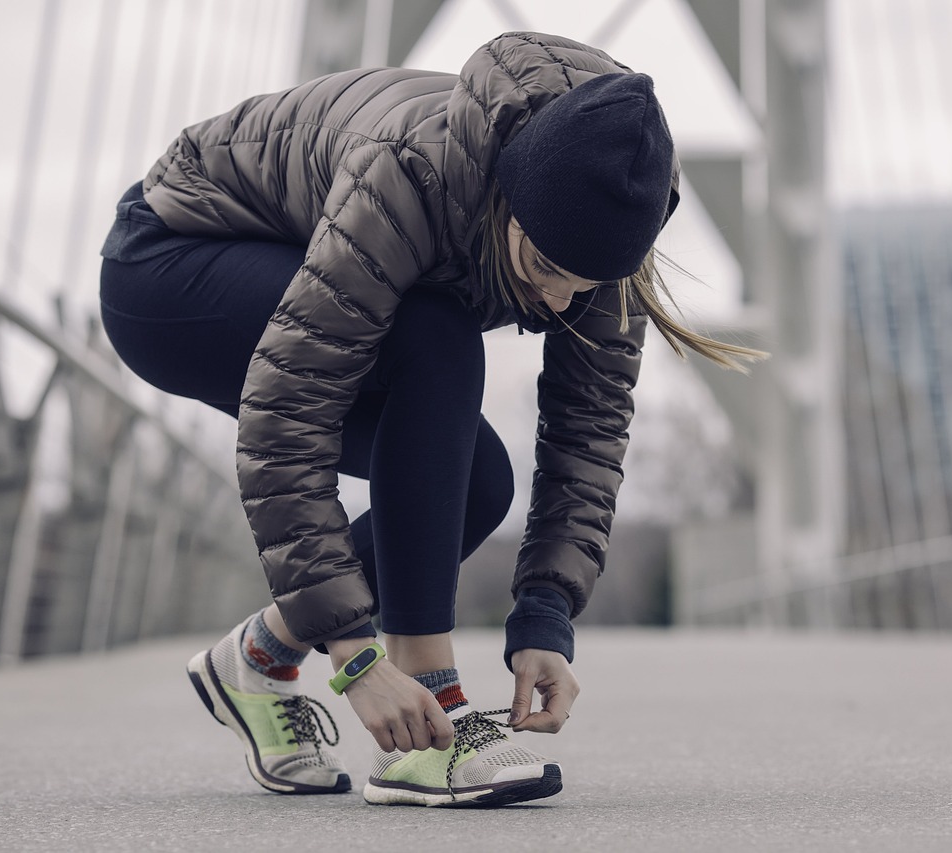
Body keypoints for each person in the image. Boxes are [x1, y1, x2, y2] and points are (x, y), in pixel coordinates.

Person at [98, 31, 762, 807]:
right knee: (436, 334)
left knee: (475, 482)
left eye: (585, 285)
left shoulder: (612, 217)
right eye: (545, 267)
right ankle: (432, 706)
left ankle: (258, 656)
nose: (559, 302)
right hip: (171, 262)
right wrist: (353, 655)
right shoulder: (408, 175)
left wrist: (545, 615)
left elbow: (588, 431)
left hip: (292, 277)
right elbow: (288, 417)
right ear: (508, 200)